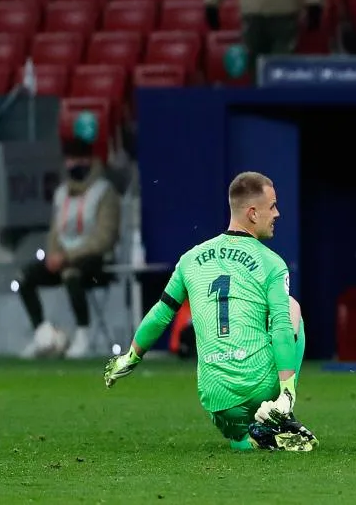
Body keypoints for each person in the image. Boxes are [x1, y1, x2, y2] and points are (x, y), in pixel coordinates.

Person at [104, 172, 318, 452]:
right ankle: (281, 408)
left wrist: (129, 358)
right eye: (273, 206)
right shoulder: (272, 263)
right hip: (258, 387)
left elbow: (161, 314)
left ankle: (247, 440)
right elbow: (280, 326)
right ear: (253, 214)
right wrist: (287, 390)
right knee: (290, 309)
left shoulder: (190, 259)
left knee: (236, 429)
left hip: (215, 398)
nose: (277, 213)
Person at [17, 137, 120, 359]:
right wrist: (54, 254)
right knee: (24, 279)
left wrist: (67, 257)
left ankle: (83, 335)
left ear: (91, 160)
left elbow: (105, 238)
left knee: (72, 274)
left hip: (95, 260)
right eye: (71, 159)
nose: (75, 164)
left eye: (80, 158)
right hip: (62, 259)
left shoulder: (104, 192)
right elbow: (55, 230)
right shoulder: (62, 192)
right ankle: (43, 335)